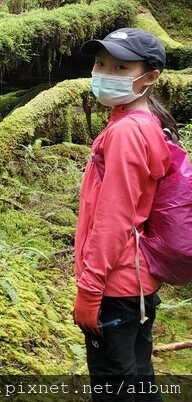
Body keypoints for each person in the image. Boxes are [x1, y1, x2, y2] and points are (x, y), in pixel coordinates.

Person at [75, 28, 177, 401]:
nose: (104, 73)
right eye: (101, 63)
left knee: (115, 388)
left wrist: (90, 288)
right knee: (137, 377)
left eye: (120, 67)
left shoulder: (127, 132)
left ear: (150, 77)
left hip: (115, 285)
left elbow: (115, 217)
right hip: (135, 283)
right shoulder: (142, 122)